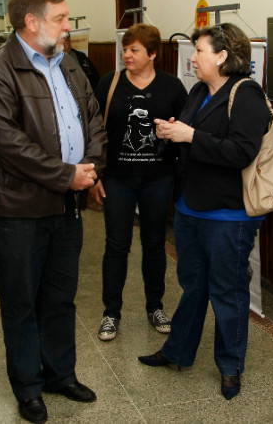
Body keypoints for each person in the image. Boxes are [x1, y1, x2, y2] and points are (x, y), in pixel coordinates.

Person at [0, 0, 106, 423]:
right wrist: (67, 175)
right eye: (60, 19)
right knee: (22, 303)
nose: (68, 26)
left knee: (61, 298)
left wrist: (90, 167)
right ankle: (29, 387)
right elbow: (9, 144)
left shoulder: (68, 64)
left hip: (66, 207)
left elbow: (93, 118)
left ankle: (60, 374)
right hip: (18, 211)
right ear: (31, 22)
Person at [138, 23, 270, 401]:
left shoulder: (247, 94)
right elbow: (188, 137)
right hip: (190, 207)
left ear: (223, 56)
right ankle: (178, 351)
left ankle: (230, 366)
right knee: (193, 285)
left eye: (199, 51)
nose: (193, 58)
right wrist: (171, 132)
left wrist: (190, 135)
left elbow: (241, 152)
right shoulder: (198, 91)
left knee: (227, 291)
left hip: (228, 215)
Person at [88, 23, 187, 341]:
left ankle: (155, 306)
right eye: (125, 49)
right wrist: (95, 175)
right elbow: (95, 130)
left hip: (158, 179)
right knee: (116, 245)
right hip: (117, 179)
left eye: (134, 50)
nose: (126, 55)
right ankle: (111, 313)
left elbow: (184, 131)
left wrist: (170, 134)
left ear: (153, 54)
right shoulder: (110, 82)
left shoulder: (172, 87)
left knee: (155, 245)